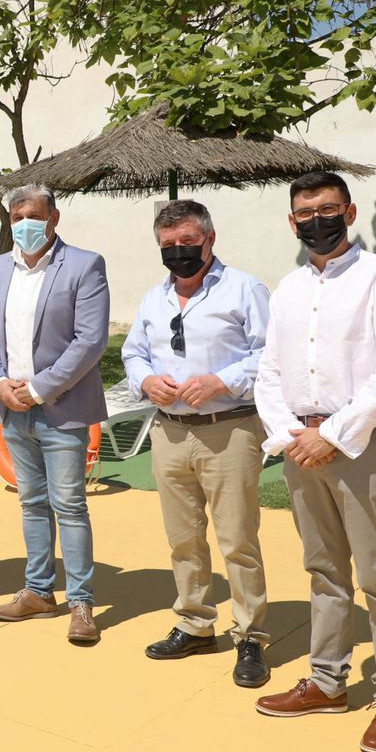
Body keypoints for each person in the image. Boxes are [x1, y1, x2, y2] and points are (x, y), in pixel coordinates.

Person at [253, 170, 376, 752]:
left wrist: (335, 433)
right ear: (292, 222)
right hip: (301, 446)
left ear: (349, 214)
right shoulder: (288, 290)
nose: (315, 220)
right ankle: (327, 681)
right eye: (305, 213)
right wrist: (288, 434)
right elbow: (269, 372)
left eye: (327, 209)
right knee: (323, 570)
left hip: (364, 444)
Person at [121, 199, 272, 687]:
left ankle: (250, 636)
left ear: (210, 239)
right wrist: (146, 382)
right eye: (169, 245)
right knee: (183, 539)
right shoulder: (155, 297)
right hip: (169, 431)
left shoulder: (244, 289)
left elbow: (270, 354)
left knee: (238, 540)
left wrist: (222, 381)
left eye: (189, 243)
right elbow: (133, 351)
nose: (179, 252)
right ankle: (194, 622)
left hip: (229, 429)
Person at [0, 183, 110, 644]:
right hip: (12, 410)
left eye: (33, 216)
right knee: (31, 503)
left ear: (54, 218)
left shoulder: (84, 265)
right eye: (16, 218)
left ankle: (81, 603)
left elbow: (90, 341)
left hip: (62, 410)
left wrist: (37, 389)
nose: (25, 226)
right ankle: (38, 592)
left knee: (70, 506)